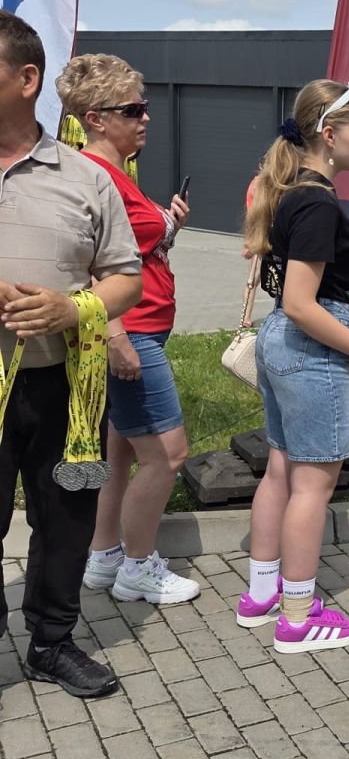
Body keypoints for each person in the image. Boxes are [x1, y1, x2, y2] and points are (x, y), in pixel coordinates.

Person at [0, 12, 142, 699]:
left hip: (67, 389)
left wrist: (72, 309)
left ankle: (51, 643)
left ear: (27, 79)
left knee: (66, 518)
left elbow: (125, 278)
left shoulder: (86, 179)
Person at [55, 54, 199, 606]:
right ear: (96, 118)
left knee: (119, 452)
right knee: (167, 455)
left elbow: (131, 250)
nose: (146, 117)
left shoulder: (117, 174)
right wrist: (115, 336)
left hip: (140, 330)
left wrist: (168, 227)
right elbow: (87, 264)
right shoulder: (95, 177)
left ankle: (105, 554)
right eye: (133, 109)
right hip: (129, 334)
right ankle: (139, 567)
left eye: (145, 107)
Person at [239, 79, 349, 654]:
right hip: (309, 346)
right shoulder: (318, 202)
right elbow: (302, 303)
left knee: (280, 470)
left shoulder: (291, 192)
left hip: (281, 343)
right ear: (330, 134)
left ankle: (262, 594)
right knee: (312, 487)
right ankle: (297, 619)